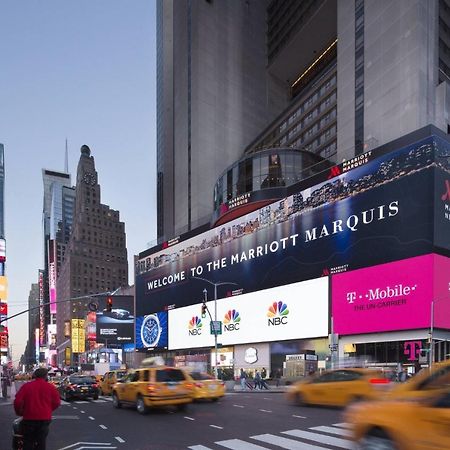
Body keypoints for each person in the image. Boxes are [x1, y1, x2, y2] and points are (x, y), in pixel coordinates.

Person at [14, 367, 61, 450]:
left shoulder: (26, 386)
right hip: (44, 419)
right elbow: (57, 402)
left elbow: (17, 401)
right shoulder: (50, 387)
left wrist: (20, 412)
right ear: (46, 376)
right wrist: (48, 410)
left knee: (28, 441)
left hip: (29, 418)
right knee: (41, 441)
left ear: (35, 376)